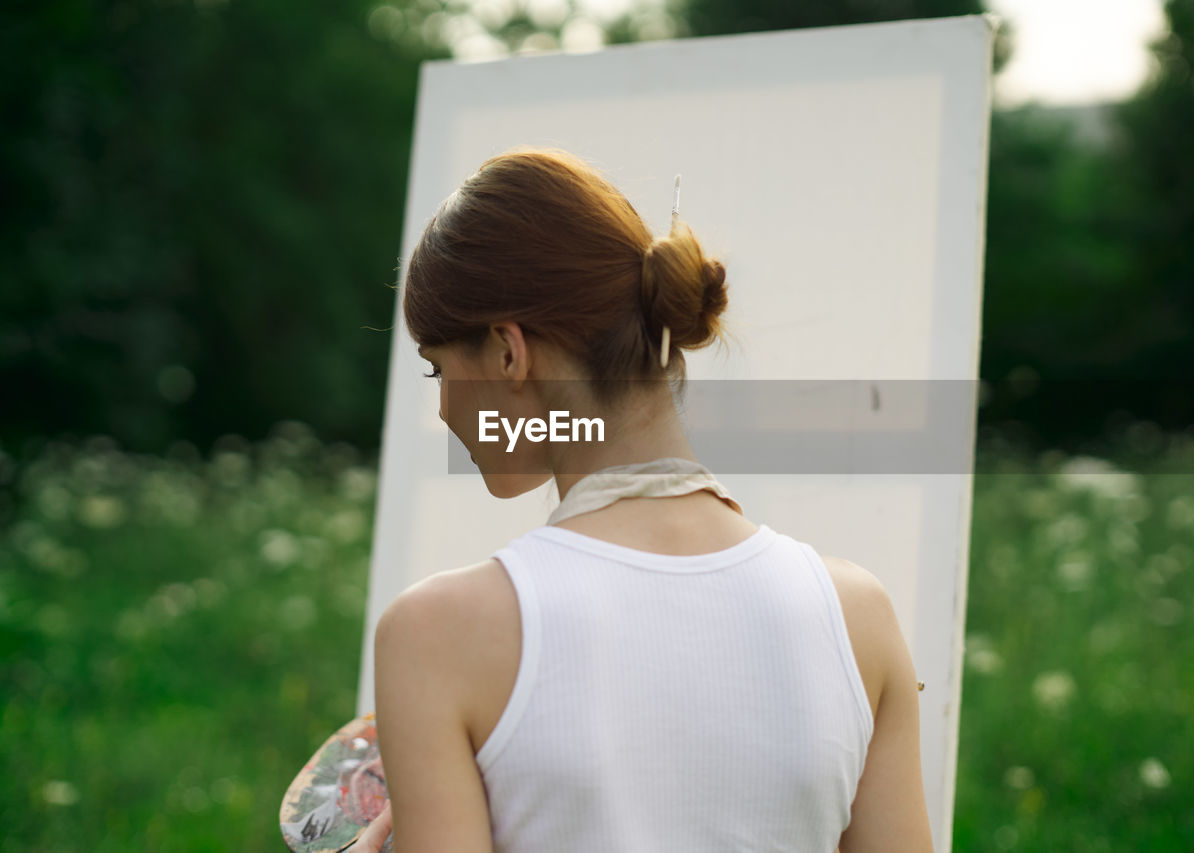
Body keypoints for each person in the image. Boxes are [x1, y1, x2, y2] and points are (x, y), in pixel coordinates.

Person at [354, 147, 932, 852]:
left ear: (508, 353)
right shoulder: (860, 617)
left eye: (437, 370)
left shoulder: (436, 634)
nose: (444, 410)